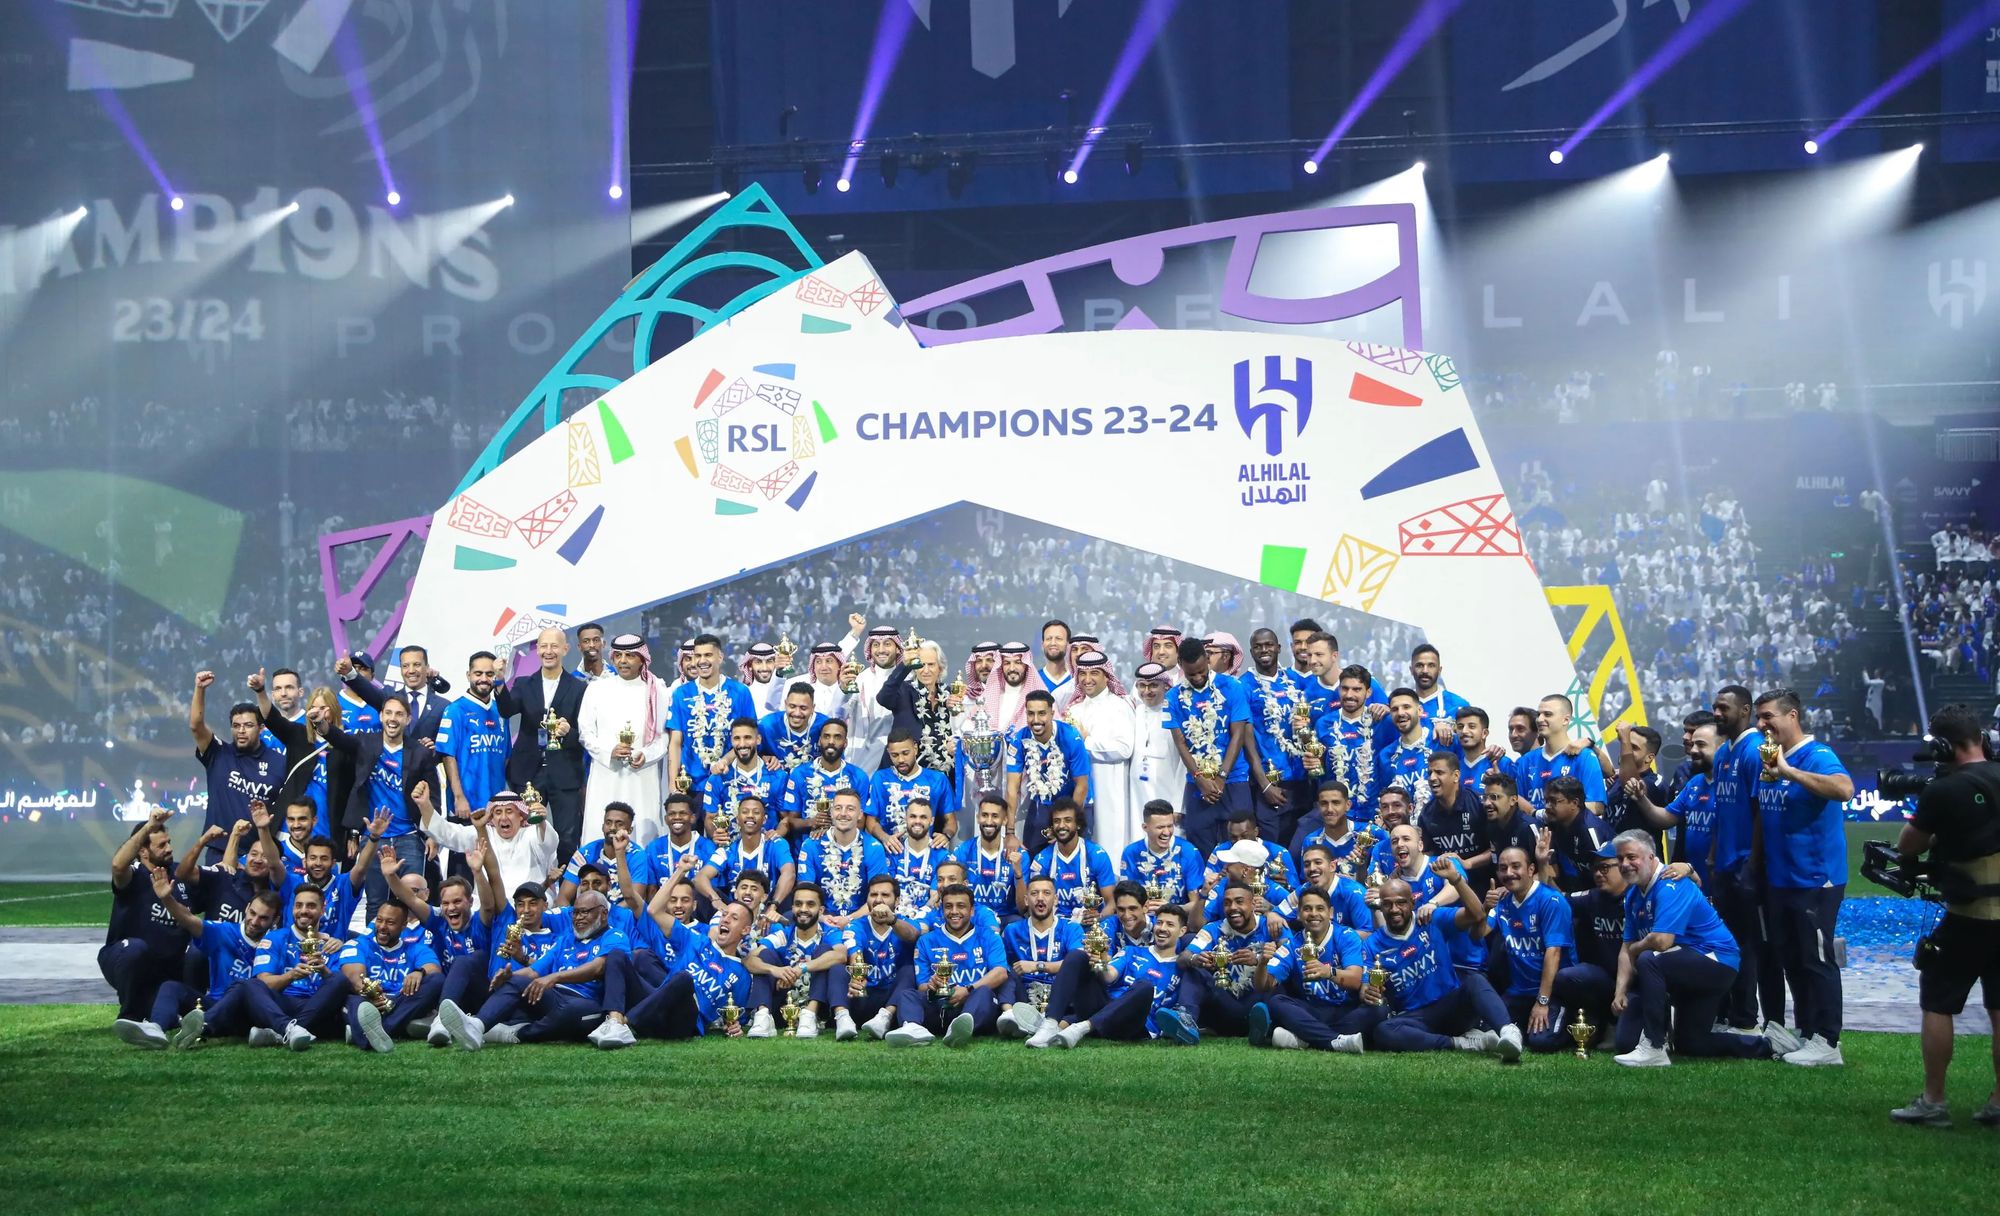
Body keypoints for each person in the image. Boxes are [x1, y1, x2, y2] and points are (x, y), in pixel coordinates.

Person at [1890, 705, 2000, 1127]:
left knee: (1938, 1001)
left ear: (1942, 745)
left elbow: (1909, 846)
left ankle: (1933, 1099)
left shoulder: (1943, 791)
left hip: (1968, 914)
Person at [1609, 831, 1786, 1067]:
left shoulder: (1669, 883)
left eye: (1631, 857)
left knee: (1649, 959)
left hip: (1716, 960)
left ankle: (1653, 1045)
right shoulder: (1632, 894)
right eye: (1620, 859)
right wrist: (1620, 991)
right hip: (1691, 963)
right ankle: (1770, 1045)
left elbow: (1661, 942)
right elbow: (1626, 947)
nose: (1624, 864)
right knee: (1693, 1043)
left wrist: (1637, 950)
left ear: (1652, 856)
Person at [1752, 687, 1855, 1067]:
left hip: (1816, 879)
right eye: (1759, 718)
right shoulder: (1768, 759)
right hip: (1781, 879)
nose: (1762, 725)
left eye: (1768, 717)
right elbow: (1764, 815)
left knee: (1817, 957)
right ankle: (1809, 1033)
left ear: (1792, 716)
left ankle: (1829, 1041)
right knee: (1792, 959)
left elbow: (1845, 789)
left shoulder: (1816, 755)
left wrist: (1789, 772)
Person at [1362, 866, 1522, 1060]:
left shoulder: (1431, 919)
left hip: (1451, 1006)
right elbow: (1366, 984)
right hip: (1416, 1018)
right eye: (1387, 904)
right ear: (1380, 906)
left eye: (1401, 903)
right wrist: (1366, 991)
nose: (1394, 910)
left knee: (1475, 981)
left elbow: (1477, 915)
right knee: (1383, 1031)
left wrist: (1456, 880)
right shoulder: (1371, 944)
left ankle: (1509, 1032)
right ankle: (1463, 1043)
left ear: (1412, 902)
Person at [318, 668, 440, 918]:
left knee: (412, 903)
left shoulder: (420, 753)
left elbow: (434, 797)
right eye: (388, 713)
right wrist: (321, 724)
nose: (393, 719)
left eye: (399, 714)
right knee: (375, 903)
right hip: (373, 838)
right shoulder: (366, 743)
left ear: (408, 719)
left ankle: (409, 954)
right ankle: (376, 955)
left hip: (409, 838)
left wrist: (433, 834)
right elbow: (339, 739)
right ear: (381, 716)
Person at [125, 865, 278, 1049]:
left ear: (274, 920)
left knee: (243, 988)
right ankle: (155, 1029)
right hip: (215, 1004)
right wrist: (166, 898)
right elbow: (189, 919)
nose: (254, 921)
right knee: (171, 987)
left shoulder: (278, 942)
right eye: (252, 913)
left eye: (263, 918)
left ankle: (202, 1026)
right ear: (246, 908)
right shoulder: (225, 931)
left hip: (248, 1013)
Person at [451, 888, 627, 1047]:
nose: (578, 917)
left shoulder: (615, 936)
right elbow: (534, 971)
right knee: (518, 980)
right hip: (555, 996)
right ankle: (477, 1025)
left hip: (587, 1000)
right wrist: (510, 976)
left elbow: (598, 967)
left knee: (573, 1012)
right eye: (575, 913)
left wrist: (554, 977)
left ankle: (517, 1033)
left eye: (585, 912)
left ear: (603, 914)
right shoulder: (565, 940)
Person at [590, 900, 752, 1046]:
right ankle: (614, 1020)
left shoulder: (742, 975)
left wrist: (734, 1026)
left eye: (734, 918)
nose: (725, 919)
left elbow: (734, 1017)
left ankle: (624, 1024)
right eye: (724, 914)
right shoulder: (698, 940)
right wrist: (681, 870)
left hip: (683, 1023)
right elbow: (653, 909)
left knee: (683, 978)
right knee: (617, 954)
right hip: (656, 1009)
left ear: (745, 930)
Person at [493, 627, 590, 865]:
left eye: (554, 646)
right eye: (544, 646)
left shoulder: (579, 688)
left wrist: (569, 732)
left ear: (565, 649)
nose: (549, 651)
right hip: (528, 772)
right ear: (538, 649)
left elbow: (585, 733)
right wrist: (499, 680)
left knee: (567, 836)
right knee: (525, 832)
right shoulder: (524, 684)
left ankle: (567, 889)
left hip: (565, 771)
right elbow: (507, 710)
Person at [1037, 903, 1191, 1049]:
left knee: (1144, 986)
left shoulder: (1182, 968)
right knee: (1078, 956)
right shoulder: (1133, 951)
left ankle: (1082, 1028)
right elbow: (1109, 976)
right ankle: (1049, 1024)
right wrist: (1101, 962)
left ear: (1182, 931)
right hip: (1103, 1008)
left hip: (1133, 1025)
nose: (1162, 928)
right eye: (1159, 923)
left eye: (1170, 925)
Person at [1248, 884, 1376, 1053]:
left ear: (1330, 913)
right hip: (1311, 1011)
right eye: (1307, 909)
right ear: (1299, 914)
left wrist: (1328, 972)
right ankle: (1333, 1041)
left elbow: (1355, 980)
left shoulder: (1347, 936)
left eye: (1320, 908)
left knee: (1378, 1010)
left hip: (1345, 1010)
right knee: (1276, 1002)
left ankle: (1304, 1038)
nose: (1314, 914)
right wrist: (1263, 963)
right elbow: (1263, 985)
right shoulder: (1292, 945)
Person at [1709, 683, 1770, 1031]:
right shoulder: (1723, 754)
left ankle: (1746, 1019)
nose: (1717, 714)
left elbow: (1760, 810)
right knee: (1725, 942)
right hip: (1725, 866)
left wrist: (1752, 864)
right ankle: (1727, 1013)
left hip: (1746, 866)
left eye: (1724, 708)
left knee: (1747, 946)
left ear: (1744, 711)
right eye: (1715, 707)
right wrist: (1715, 857)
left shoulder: (1754, 751)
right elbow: (1721, 810)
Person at [579, 634, 675, 845]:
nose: (623, 661)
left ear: (642, 658)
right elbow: (585, 733)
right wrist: (608, 751)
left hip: (643, 774)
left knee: (643, 832)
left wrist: (646, 755)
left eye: (630, 655)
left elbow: (664, 737)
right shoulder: (597, 689)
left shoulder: (657, 689)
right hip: (606, 773)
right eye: (619, 655)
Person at [886, 885, 1009, 1047]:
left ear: (972, 910)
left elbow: (1001, 972)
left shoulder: (988, 936)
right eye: (948, 906)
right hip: (941, 1005)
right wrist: (932, 986)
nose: (954, 911)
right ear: (942, 910)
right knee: (908, 994)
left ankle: (960, 1028)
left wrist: (968, 990)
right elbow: (922, 986)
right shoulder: (926, 941)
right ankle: (913, 1028)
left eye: (961, 906)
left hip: (974, 1004)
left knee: (984, 992)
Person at [1487, 845, 1579, 1053]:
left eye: (1515, 866)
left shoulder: (1552, 901)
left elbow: (1553, 953)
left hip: (1553, 992)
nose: (1509, 873)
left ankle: (1581, 1019)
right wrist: (1483, 907)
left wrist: (1542, 1002)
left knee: (1541, 1042)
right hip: (1518, 992)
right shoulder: (1502, 903)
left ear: (1530, 870)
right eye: (1503, 868)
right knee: (1488, 1030)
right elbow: (1479, 932)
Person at [1167, 637, 1253, 854]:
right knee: (1201, 848)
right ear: (1181, 666)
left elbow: (1238, 735)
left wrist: (1221, 776)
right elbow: (1180, 742)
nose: (1197, 678)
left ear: (1207, 659)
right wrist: (1199, 779)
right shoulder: (1173, 696)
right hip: (1198, 783)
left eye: (1200, 672)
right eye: (1190, 674)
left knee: (1241, 847)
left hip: (1234, 779)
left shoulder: (1232, 687)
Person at [1170, 879, 1284, 1042]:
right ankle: (1184, 1020)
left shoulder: (1272, 925)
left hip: (1258, 1004)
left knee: (1279, 978)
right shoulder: (1213, 929)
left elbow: (1291, 958)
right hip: (1225, 1003)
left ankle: (1265, 1028)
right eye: (1227, 903)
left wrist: (1259, 960)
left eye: (1239, 902)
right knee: (1193, 968)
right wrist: (1196, 959)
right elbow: (1183, 957)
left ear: (1253, 905)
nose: (1233, 908)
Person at [239, 883, 350, 1050]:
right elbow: (264, 982)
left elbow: (338, 988)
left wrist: (324, 971)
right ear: (292, 909)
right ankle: (290, 1029)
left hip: (319, 1005)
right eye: (299, 905)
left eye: (311, 906)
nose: (303, 910)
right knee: (250, 985)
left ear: (323, 910)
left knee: (340, 980)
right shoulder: (274, 939)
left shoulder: (332, 945)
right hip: (283, 1005)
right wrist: (291, 975)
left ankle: (280, 1033)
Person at [742, 882, 854, 1040]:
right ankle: (763, 1016)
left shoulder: (829, 933)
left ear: (821, 910)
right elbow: (749, 960)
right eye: (798, 904)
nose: (803, 909)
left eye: (810, 904)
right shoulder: (783, 934)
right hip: (784, 1005)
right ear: (792, 908)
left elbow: (840, 956)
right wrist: (775, 970)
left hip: (819, 1006)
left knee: (825, 952)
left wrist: (801, 968)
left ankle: (810, 1015)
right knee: (765, 956)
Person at [190, 671, 281, 854]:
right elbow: (196, 725)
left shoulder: (280, 762)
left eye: (248, 725)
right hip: (219, 850)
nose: (241, 730)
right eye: (236, 725)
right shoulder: (218, 753)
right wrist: (200, 689)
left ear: (261, 728)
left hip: (259, 853)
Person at [415, 785, 556, 903]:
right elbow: (449, 834)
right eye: (498, 812)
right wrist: (424, 805)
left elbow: (549, 844)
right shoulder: (483, 833)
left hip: (529, 901)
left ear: (521, 815)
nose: (503, 817)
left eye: (509, 811)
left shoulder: (531, 832)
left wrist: (541, 822)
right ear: (491, 818)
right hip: (492, 904)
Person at [335, 899, 443, 1052]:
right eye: (379, 920)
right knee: (354, 1000)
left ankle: (370, 1033)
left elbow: (434, 969)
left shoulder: (416, 948)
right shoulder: (358, 944)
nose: (382, 927)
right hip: (368, 1000)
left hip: (400, 1002)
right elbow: (355, 977)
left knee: (436, 981)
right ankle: (393, 1029)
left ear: (403, 925)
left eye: (390, 923)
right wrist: (372, 996)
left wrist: (419, 972)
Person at [665, 633, 760, 806]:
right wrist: (672, 785)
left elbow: (749, 739)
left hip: (729, 782)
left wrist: (725, 760)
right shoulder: (681, 694)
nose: (702, 661)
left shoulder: (740, 692)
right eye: (698, 656)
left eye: (708, 655)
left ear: (720, 657)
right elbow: (675, 742)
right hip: (690, 785)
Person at [1241, 627, 1310, 847]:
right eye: (1258, 646)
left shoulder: (1294, 681)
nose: (1264, 650)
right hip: (1270, 784)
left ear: (1278, 648)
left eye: (1269, 645)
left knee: (1300, 847)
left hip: (1301, 780)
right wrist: (1264, 785)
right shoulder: (1244, 686)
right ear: (1251, 652)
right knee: (1274, 847)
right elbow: (1246, 739)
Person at [1066, 652, 1136, 856]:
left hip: (1109, 787)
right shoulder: (1075, 709)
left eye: (1094, 673)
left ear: (1107, 676)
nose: (1087, 679)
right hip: (1080, 787)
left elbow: (1125, 748)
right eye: (1083, 673)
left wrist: (1086, 741)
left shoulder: (1120, 706)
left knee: (1109, 841)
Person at [435, 651, 510, 831]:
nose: (483, 679)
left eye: (489, 674)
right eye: (478, 674)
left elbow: (505, 757)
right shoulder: (455, 710)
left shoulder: (501, 710)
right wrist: (459, 796)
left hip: (496, 809)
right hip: (466, 807)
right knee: (464, 858)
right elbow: (447, 756)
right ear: (468, 675)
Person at [1007, 690, 1091, 845]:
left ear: (1052, 713)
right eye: (1030, 714)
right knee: (1034, 861)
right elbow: (1012, 788)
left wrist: (1067, 824)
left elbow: (1082, 785)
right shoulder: (1019, 739)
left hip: (1073, 803)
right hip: (1041, 804)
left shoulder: (1071, 736)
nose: (1036, 720)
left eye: (1042, 713)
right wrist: (1010, 832)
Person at [796, 790, 889, 928]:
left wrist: (850, 919)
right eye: (838, 808)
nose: (843, 813)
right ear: (831, 812)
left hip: (862, 921)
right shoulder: (811, 846)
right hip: (820, 921)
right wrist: (822, 918)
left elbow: (879, 899)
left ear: (860, 814)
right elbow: (804, 894)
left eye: (850, 809)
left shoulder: (874, 847)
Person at [1001, 875, 1078, 1037]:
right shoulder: (1011, 930)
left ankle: (1056, 1026)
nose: (1040, 898)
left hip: (1060, 993)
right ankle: (1009, 1016)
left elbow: (1076, 965)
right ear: (1026, 900)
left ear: (1056, 899)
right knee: (1002, 971)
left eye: (1047, 893)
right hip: (1025, 995)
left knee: (1084, 981)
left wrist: (1038, 965)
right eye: (1034, 893)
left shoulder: (1071, 929)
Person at [849, 875, 921, 1040]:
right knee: (837, 970)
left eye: (885, 895)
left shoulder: (905, 923)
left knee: (909, 970)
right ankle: (843, 1019)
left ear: (897, 901)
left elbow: (913, 935)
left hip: (893, 999)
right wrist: (856, 977)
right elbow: (854, 952)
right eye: (873, 895)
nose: (878, 900)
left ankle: (885, 1018)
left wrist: (892, 920)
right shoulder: (856, 925)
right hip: (865, 995)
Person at [1312, 665, 1383, 823]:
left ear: (1368, 692)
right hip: (1335, 815)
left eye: (1357, 689)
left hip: (1374, 814)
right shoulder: (1323, 724)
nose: (1349, 695)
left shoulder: (1380, 722)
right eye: (1345, 689)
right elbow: (1317, 767)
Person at [1516, 694, 1607, 815]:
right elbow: (1515, 803)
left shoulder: (1584, 756)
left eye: (1547, 714)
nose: (1539, 719)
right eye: (1538, 714)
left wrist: (1554, 814)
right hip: (1536, 833)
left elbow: (1597, 806)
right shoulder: (1525, 761)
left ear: (1566, 719)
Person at [1027, 799, 1117, 922]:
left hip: (1090, 927)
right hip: (1056, 927)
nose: (1061, 826)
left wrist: (1098, 918)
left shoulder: (1097, 855)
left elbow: (1111, 902)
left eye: (1067, 820)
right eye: (1056, 821)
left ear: (1078, 824)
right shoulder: (1042, 859)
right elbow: (1034, 903)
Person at [1120, 800, 1206, 926]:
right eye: (1160, 827)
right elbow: (1125, 900)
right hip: (1140, 922)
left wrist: (1171, 908)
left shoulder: (1189, 852)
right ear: (1145, 827)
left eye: (1170, 826)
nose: (1166, 833)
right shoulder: (1131, 852)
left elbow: (1197, 904)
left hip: (1177, 923)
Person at [784, 717, 870, 840]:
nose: (831, 741)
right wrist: (812, 822)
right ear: (819, 741)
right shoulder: (799, 773)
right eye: (826, 736)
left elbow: (861, 823)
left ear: (845, 743)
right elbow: (791, 820)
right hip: (807, 847)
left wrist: (835, 826)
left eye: (837, 737)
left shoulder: (859, 777)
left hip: (845, 849)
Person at [700, 718, 789, 836]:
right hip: (730, 848)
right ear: (731, 741)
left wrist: (777, 834)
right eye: (737, 738)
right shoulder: (718, 778)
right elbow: (710, 818)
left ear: (758, 739)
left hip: (766, 846)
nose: (742, 744)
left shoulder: (778, 776)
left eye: (747, 737)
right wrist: (715, 836)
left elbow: (787, 819)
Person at [1420, 752, 1492, 893]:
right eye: (1430, 773)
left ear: (1456, 776)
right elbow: (1427, 854)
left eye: (1439, 772)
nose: (1432, 778)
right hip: (1448, 887)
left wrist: (1467, 863)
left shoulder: (1479, 804)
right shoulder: (1426, 814)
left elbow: (1496, 849)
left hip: (1486, 885)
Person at [869, 730, 953, 849]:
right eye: (895, 755)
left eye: (905, 753)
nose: (901, 760)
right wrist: (885, 837)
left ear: (915, 749)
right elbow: (871, 820)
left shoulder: (937, 779)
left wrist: (946, 835)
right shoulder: (880, 778)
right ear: (888, 753)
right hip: (890, 853)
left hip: (925, 850)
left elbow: (950, 820)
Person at [1126, 661, 1187, 816]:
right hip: (1137, 795)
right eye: (1142, 686)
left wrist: (1178, 805)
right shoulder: (1135, 713)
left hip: (1167, 794)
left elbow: (1183, 765)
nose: (1146, 691)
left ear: (1165, 686)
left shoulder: (1175, 715)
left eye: (1153, 685)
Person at [559, 803, 648, 907]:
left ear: (630, 830)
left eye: (619, 824)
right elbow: (563, 898)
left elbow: (635, 900)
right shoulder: (585, 853)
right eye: (608, 822)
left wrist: (604, 917)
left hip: (622, 918)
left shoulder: (638, 856)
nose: (612, 828)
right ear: (602, 826)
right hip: (587, 916)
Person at [956, 795, 1026, 924]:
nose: (989, 821)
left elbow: (1024, 909)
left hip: (1007, 917)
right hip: (973, 917)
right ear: (978, 818)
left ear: (1004, 820)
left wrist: (1018, 874)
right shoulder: (963, 851)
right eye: (984, 815)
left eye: (995, 816)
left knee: (1018, 925)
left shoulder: (1020, 855)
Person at [848, 624, 906, 773]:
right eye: (876, 645)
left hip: (904, 754)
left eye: (887, 644)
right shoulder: (861, 679)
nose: (881, 650)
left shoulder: (910, 677)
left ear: (898, 648)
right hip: (867, 757)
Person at [1542, 776, 1613, 894]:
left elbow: (1611, 879)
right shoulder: (1557, 823)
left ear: (1574, 803)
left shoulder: (1590, 832)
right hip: (1585, 884)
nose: (1547, 806)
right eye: (1546, 801)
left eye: (1553, 801)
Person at [760, 682, 830, 771]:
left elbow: (837, 760)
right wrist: (762, 757)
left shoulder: (826, 726)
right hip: (778, 782)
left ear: (813, 708)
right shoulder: (767, 725)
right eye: (792, 706)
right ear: (785, 704)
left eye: (803, 708)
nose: (797, 713)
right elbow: (748, 753)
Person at [1038, 619, 1073, 704]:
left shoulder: (1077, 679)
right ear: (1042, 645)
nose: (1053, 643)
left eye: (1059, 638)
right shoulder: (1034, 678)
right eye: (1049, 639)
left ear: (1068, 645)